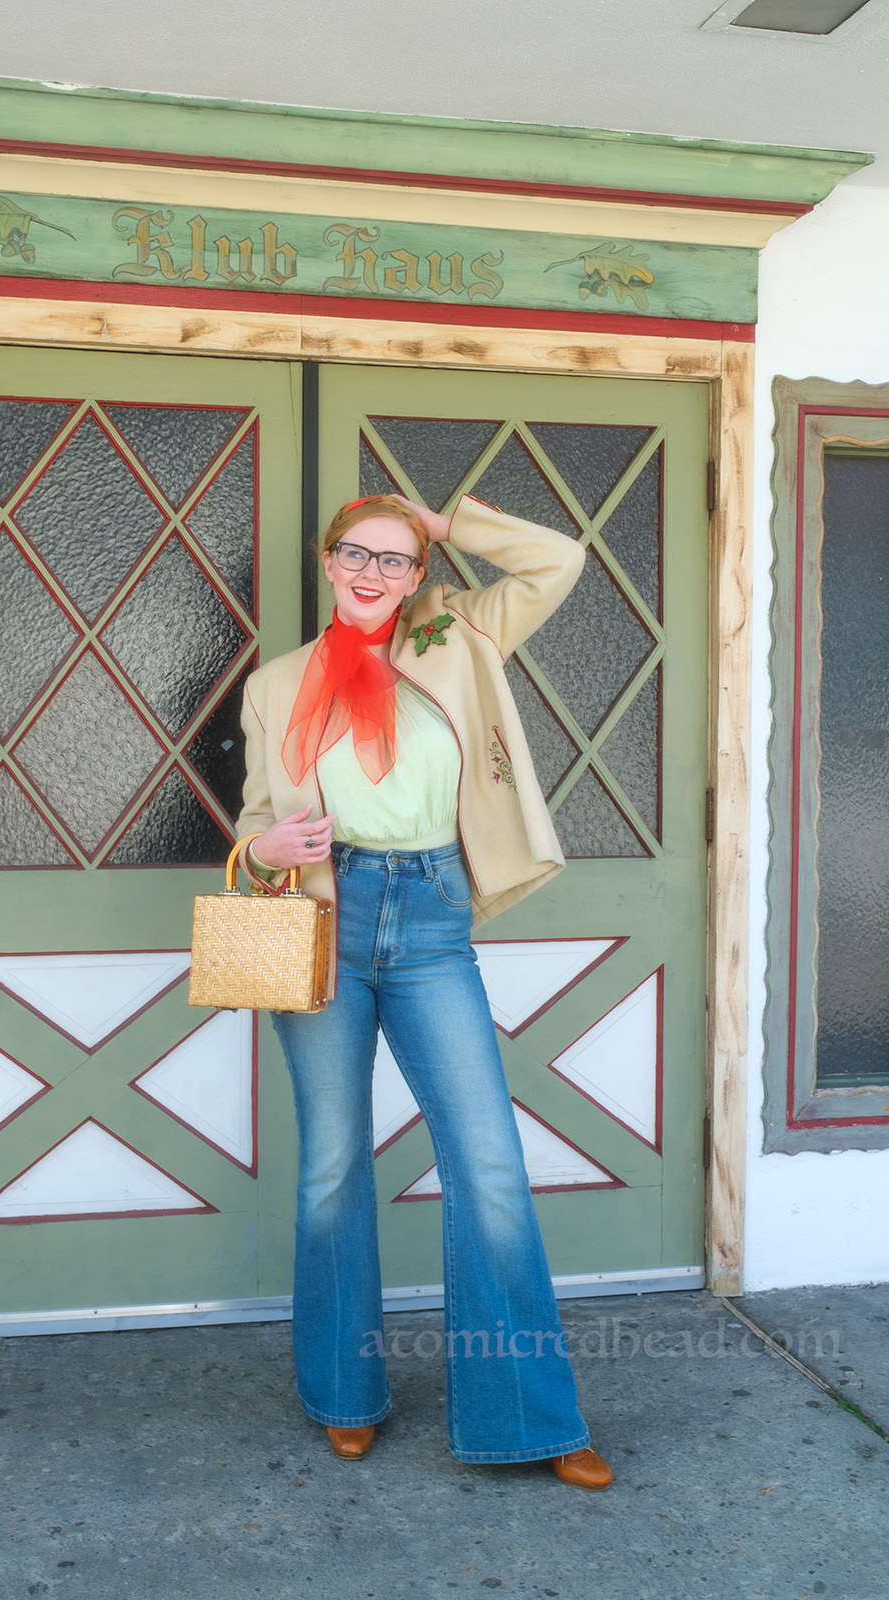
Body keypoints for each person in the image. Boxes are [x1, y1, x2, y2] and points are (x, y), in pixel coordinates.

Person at [234, 490, 613, 1489]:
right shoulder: (277, 684)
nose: (371, 573)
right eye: (355, 554)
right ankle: (342, 1394)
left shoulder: (457, 633)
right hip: (325, 915)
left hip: (432, 914)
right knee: (330, 1165)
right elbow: (251, 820)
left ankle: (530, 1413)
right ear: (326, 561)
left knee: (486, 1163)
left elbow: (557, 563)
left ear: (413, 576)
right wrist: (260, 843)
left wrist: (448, 527)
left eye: (394, 561)